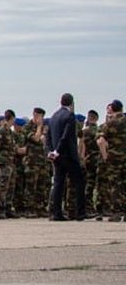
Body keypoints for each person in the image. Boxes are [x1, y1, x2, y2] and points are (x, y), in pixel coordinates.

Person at [46, 93, 86, 221]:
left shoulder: (54, 116)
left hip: (56, 156)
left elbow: (48, 136)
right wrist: (58, 150)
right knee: (79, 181)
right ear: (72, 103)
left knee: (58, 183)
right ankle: (80, 212)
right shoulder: (69, 115)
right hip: (67, 155)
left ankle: (56, 212)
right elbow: (66, 135)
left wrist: (50, 151)